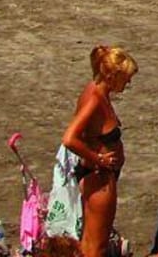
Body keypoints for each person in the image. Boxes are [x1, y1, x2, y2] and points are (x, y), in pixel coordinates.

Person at [61, 45, 135, 257]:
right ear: (112, 76)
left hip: (99, 175)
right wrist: (99, 159)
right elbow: (69, 138)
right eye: (126, 78)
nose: (128, 83)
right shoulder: (94, 99)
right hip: (99, 178)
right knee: (95, 247)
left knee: (92, 241)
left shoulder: (97, 91)